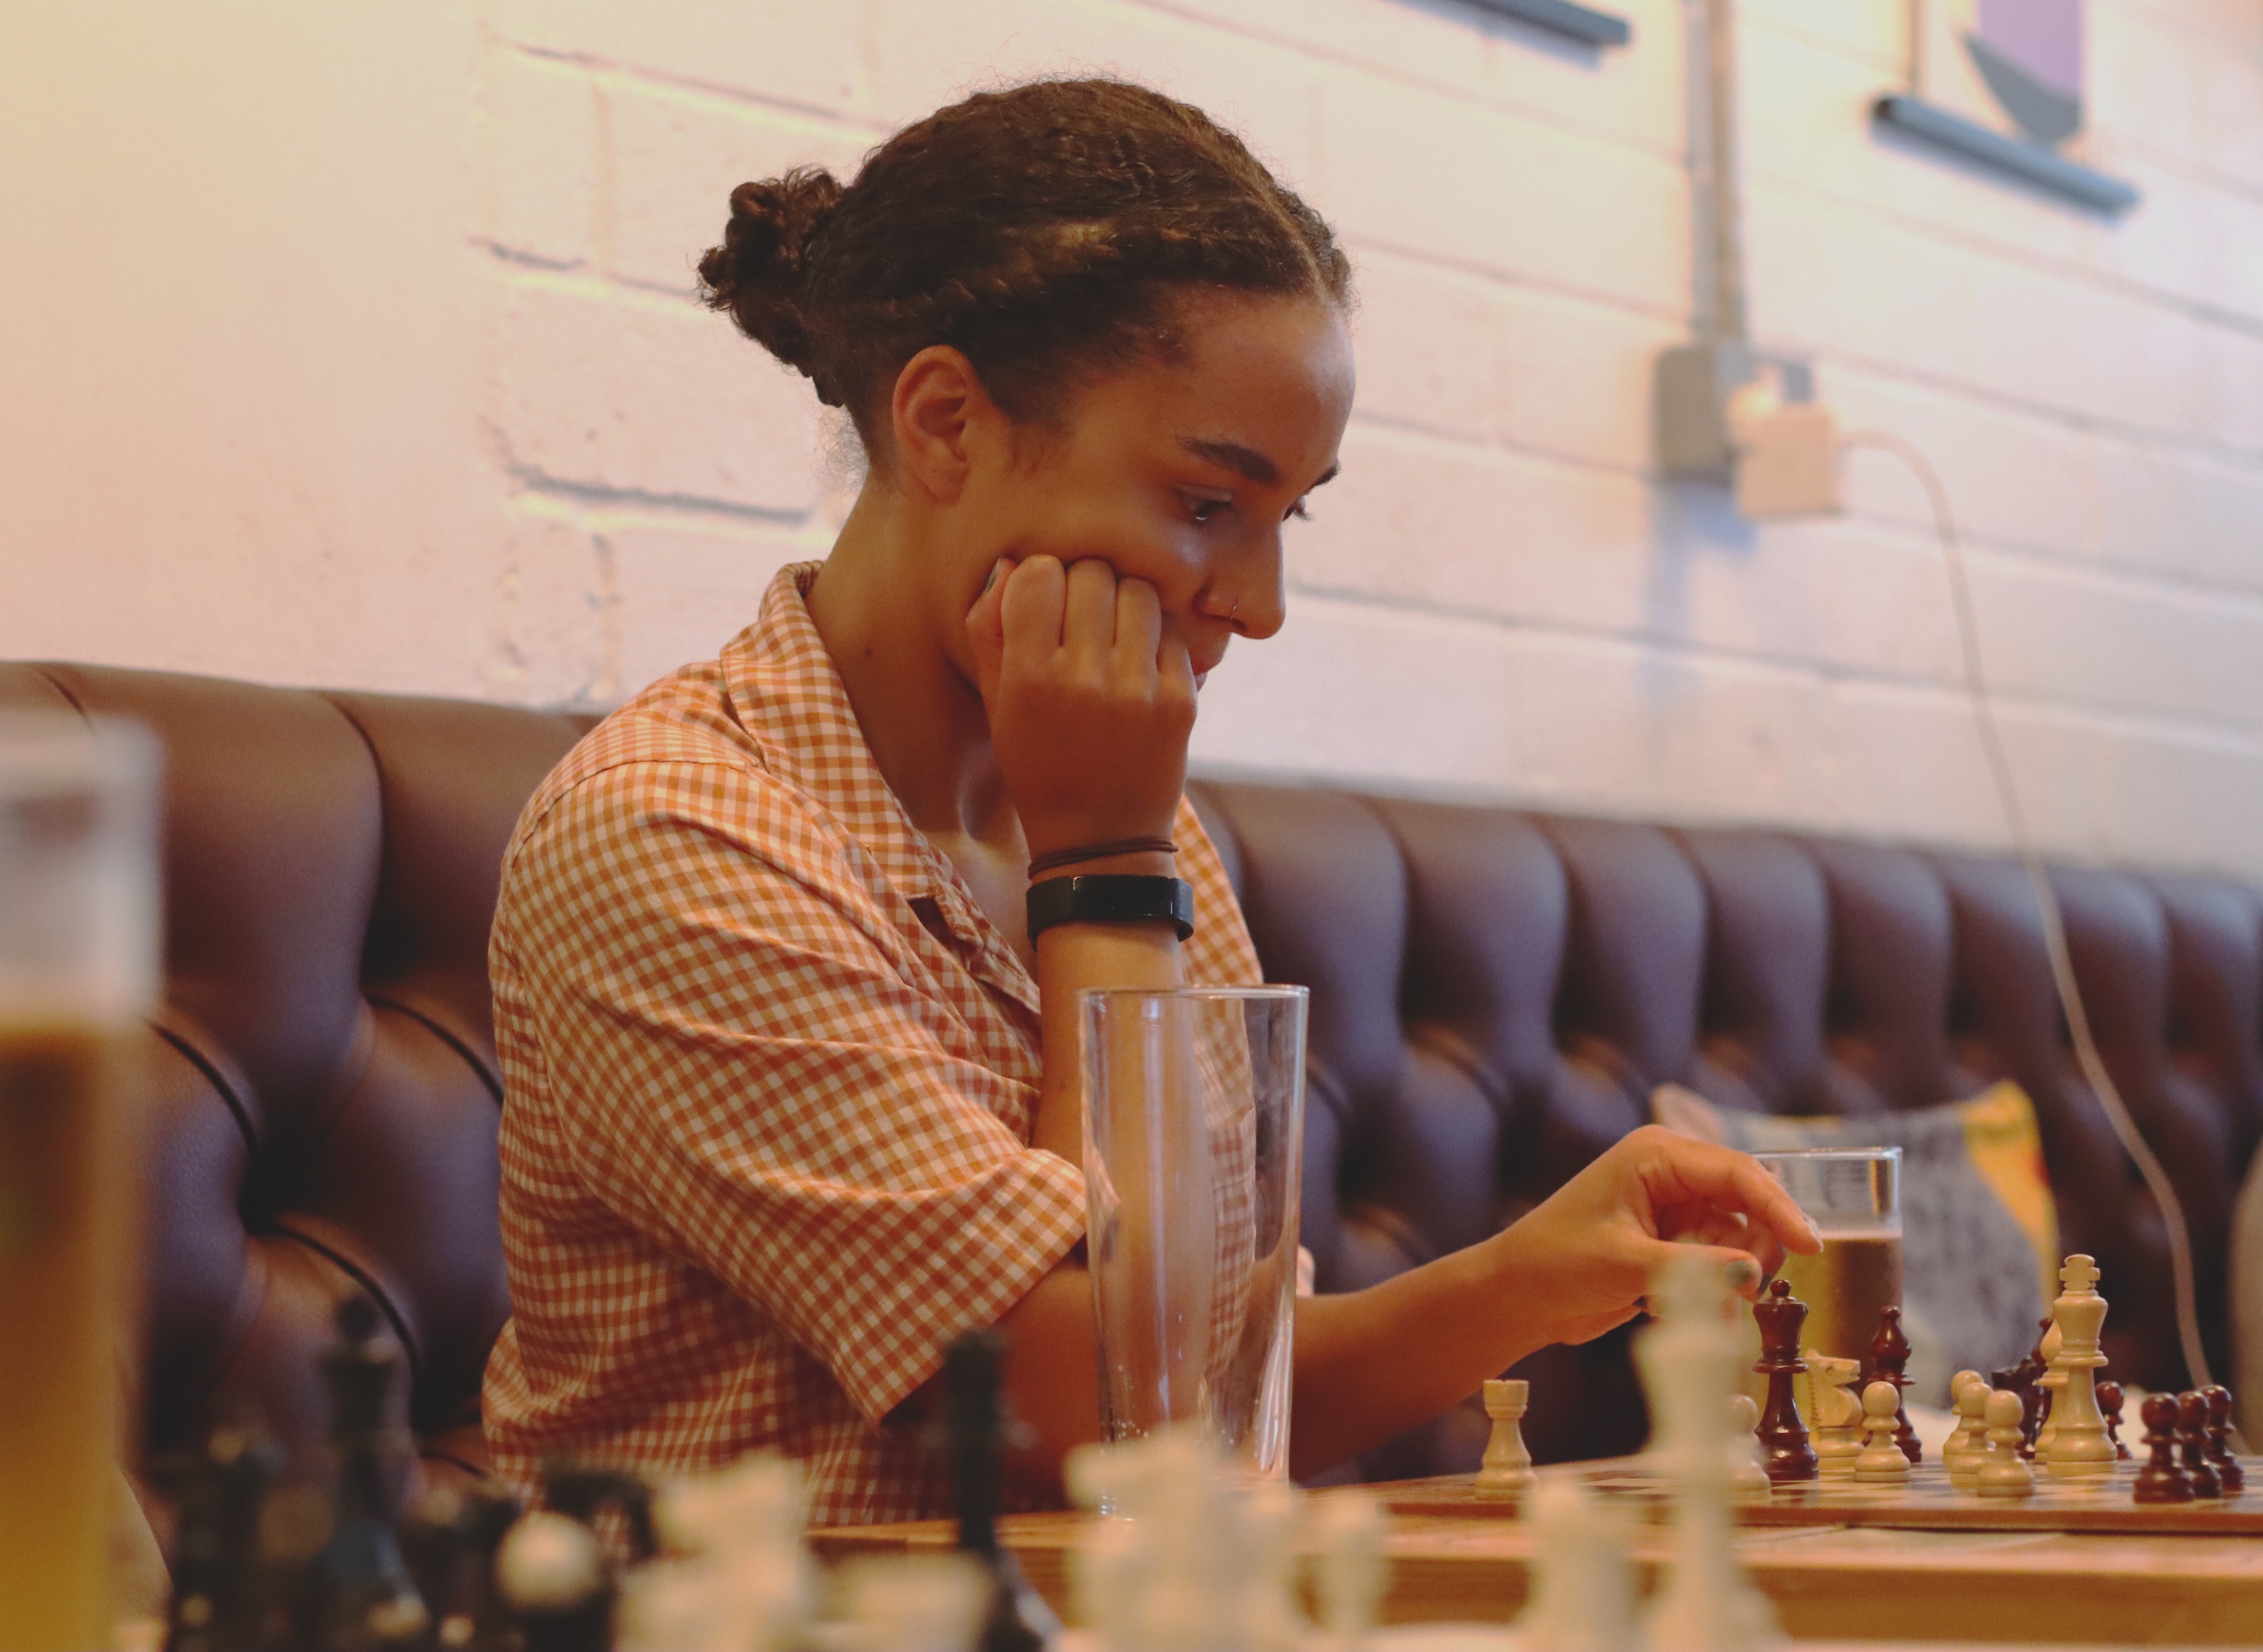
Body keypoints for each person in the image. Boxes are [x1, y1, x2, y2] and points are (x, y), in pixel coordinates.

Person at [480, 76, 1817, 1526]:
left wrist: (1527, 1277)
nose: (1256, 605)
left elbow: (1217, 1386)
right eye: (1203, 504)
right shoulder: (674, 832)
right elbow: (1127, 1421)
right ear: (943, 424)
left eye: (1283, 517)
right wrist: (1106, 868)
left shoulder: (1130, 825)